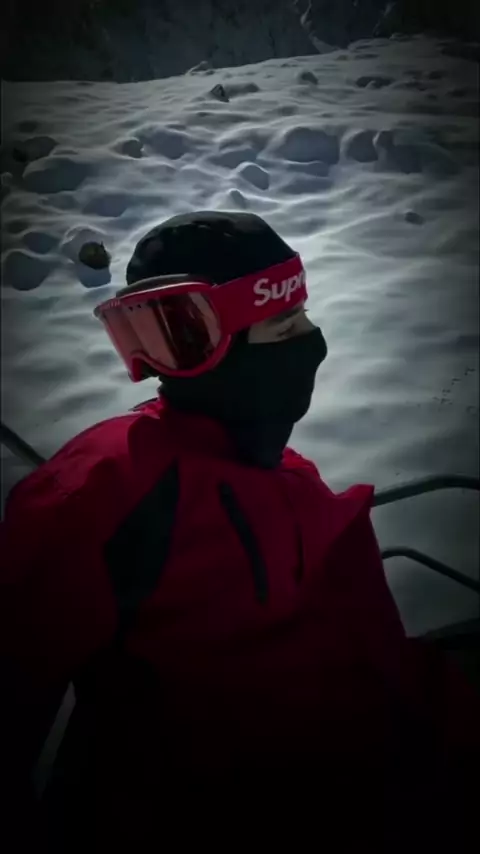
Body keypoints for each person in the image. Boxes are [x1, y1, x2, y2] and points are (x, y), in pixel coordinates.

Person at [1, 211, 479, 847]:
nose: (312, 343)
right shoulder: (105, 495)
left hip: (391, 763)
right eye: (285, 325)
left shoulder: (284, 473)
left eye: (304, 318)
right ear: (204, 348)